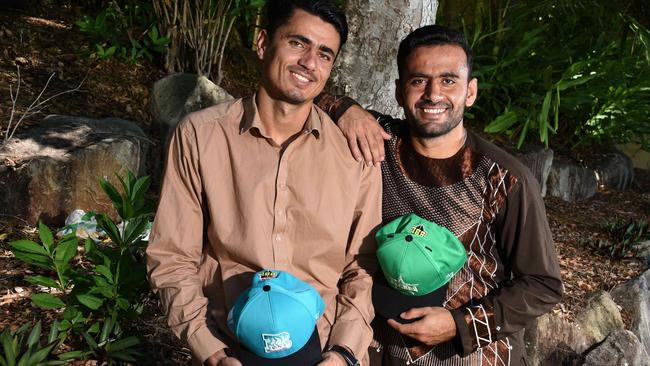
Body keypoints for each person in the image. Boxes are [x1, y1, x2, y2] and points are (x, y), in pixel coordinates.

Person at [146, 1, 382, 366]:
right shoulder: (200, 135)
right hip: (231, 344)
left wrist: (344, 352)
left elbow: (362, 265)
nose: (309, 62)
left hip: (323, 347)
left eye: (324, 54)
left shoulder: (353, 153)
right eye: (298, 43)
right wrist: (211, 350)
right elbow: (172, 256)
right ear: (262, 43)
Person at [316, 25, 563, 366]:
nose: (433, 94)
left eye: (449, 81)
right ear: (400, 91)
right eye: (419, 80)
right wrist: (344, 108)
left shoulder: (504, 178)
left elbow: (542, 284)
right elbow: (296, 93)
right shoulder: (377, 142)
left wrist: (459, 323)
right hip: (380, 347)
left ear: (470, 91)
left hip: (473, 356)